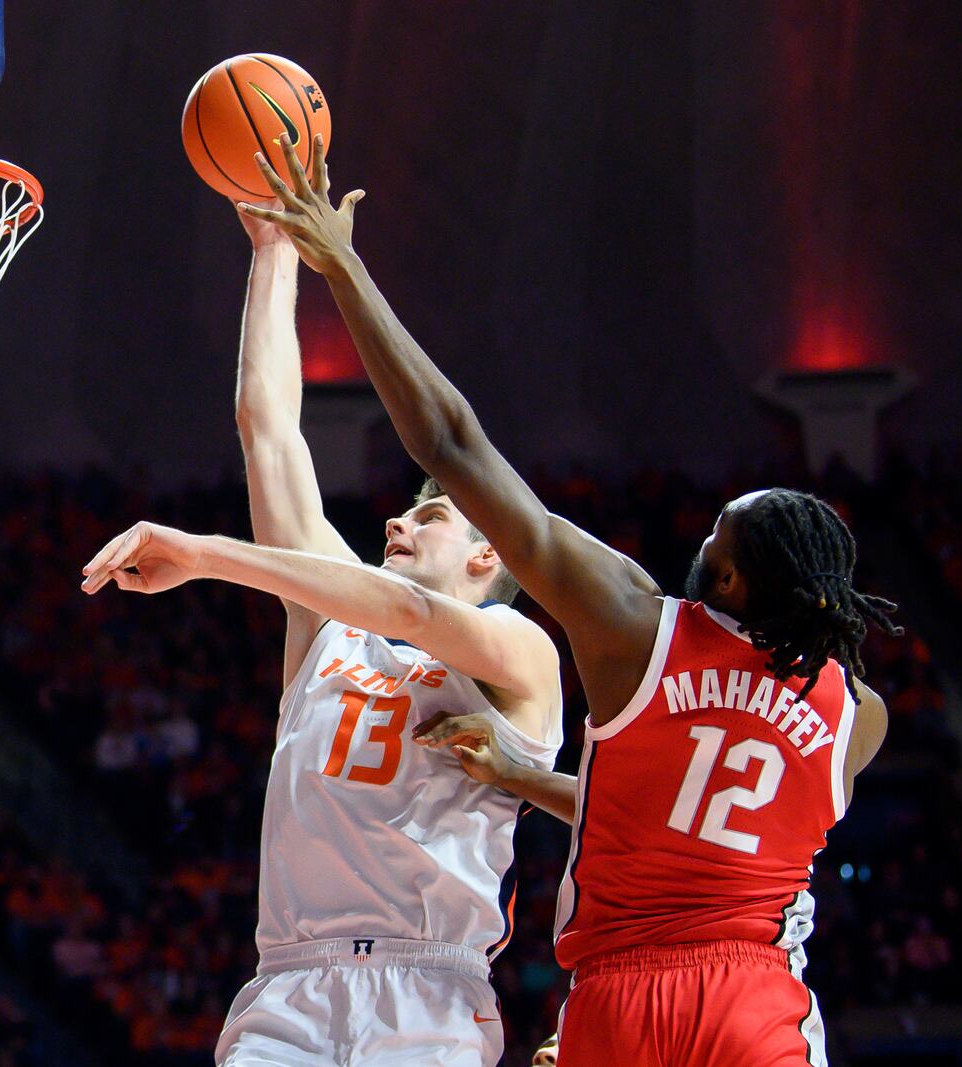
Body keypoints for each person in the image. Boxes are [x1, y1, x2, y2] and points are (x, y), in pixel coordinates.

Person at [241, 133, 901, 1066]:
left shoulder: (635, 629)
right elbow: (693, 813)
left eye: (719, 534)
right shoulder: (855, 716)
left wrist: (339, 260)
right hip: (755, 991)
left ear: (733, 578)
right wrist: (520, 779)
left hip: (618, 994)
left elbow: (452, 444)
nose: (701, 538)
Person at [80, 197, 566, 1066]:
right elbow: (268, 432)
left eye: (432, 519)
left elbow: (415, 615)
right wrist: (273, 252)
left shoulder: (520, 654)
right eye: (401, 517)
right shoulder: (331, 625)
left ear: (489, 553)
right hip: (290, 985)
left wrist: (207, 552)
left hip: (427, 990)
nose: (398, 526)